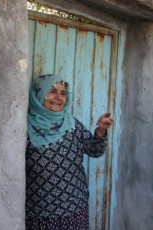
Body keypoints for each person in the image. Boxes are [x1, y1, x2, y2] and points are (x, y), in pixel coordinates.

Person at [25, 74, 114, 230]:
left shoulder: (71, 124)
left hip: (75, 209)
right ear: (39, 93)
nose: (58, 97)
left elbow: (94, 150)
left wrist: (101, 130)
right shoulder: (25, 127)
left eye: (63, 93)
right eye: (52, 91)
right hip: (40, 213)